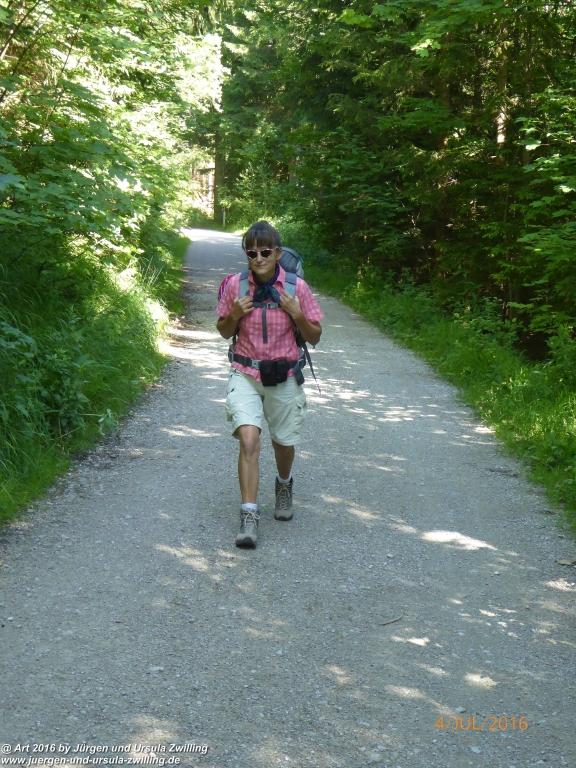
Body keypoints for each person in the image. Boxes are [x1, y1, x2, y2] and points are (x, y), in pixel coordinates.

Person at [216, 220, 324, 548]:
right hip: (245, 374)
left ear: (277, 253)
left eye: (265, 252)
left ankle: (284, 483)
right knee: (249, 440)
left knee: (283, 443)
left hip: (284, 376)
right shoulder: (235, 286)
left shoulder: (296, 288)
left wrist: (297, 314)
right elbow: (224, 330)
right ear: (246, 255)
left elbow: (315, 336)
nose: (259, 258)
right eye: (252, 253)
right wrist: (234, 315)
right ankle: (249, 515)